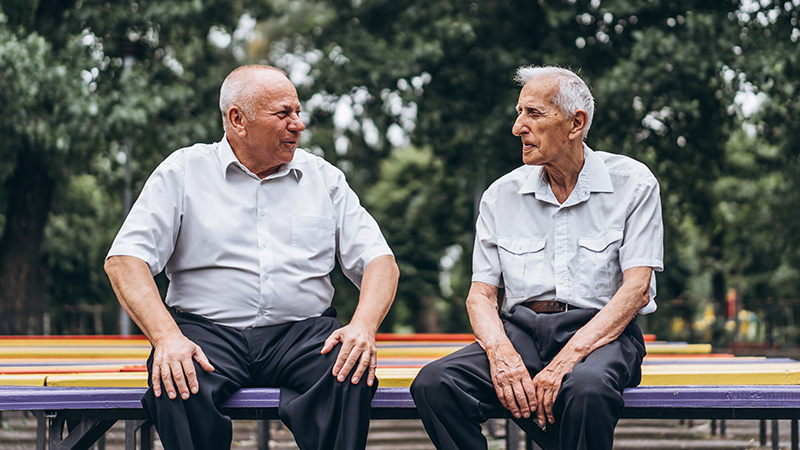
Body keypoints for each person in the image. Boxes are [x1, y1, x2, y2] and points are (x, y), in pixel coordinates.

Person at [104, 65, 399, 450]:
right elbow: (125, 260)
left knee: (350, 368)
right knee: (175, 377)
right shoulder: (183, 171)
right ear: (237, 120)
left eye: (298, 111)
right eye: (284, 114)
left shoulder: (323, 178)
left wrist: (362, 326)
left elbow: (380, 260)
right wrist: (165, 337)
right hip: (206, 332)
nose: (299, 125)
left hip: (303, 334)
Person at [411, 65, 663, 450]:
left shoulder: (634, 183)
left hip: (601, 334)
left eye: (533, 113)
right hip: (521, 333)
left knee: (587, 389)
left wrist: (565, 360)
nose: (517, 127)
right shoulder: (501, 194)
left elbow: (637, 290)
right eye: (518, 113)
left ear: (575, 124)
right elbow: (480, 296)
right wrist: (501, 355)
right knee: (435, 384)